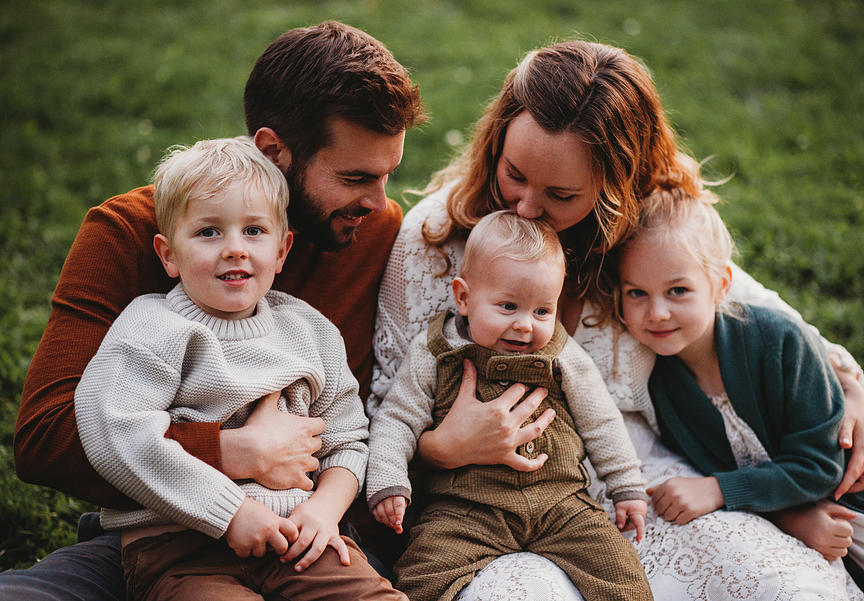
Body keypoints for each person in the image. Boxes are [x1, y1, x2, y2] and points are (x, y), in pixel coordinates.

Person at [370, 40, 864, 599]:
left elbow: (753, 311)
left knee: (776, 584)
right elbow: (385, 404)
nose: (525, 206)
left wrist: (849, 382)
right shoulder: (435, 243)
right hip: (471, 506)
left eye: (561, 194)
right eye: (515, 173)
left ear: (614, 188)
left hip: (636, 490)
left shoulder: (640, 234)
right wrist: (441, 449)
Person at [5, 21, 424, 601]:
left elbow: (359, 424)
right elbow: (46, 440)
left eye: (387, 175)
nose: (378, 201)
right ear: (273, 151)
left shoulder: (372, 232)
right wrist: (235, 452)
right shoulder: (130, 235)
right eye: (355, 177)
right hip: (165, 526)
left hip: (308, 532)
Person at [71, 136, 406, 600]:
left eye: (253, 231)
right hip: (181, 545)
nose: (234, 248)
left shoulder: (309, 330)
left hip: (301, 538)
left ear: (282, 250)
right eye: (209, 232)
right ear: (168, 254)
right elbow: (117, 434)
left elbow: (348, 440)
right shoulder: (152, 327)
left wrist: (324, 511)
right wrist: (230, 512)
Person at [616, 189, 864, 597]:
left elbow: (820, 464)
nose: (657, 312)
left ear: (720, 285)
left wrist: (719, 489)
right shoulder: (663, 385)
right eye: (636, 293)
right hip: (844, 533)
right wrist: (791, 518)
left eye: (678, 290)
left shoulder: (774, 340)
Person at [366, 211, 651, 600]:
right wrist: (387, 482)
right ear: (463, 298)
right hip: (465, 509)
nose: (525, 325)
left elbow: (601, 421)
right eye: (508, 307)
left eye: (542, 311)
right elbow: (396, 419)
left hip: (561, 502)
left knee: (619, 572)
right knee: (421, 576)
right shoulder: (434, 352)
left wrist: (627, 487)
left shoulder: (563, 355)